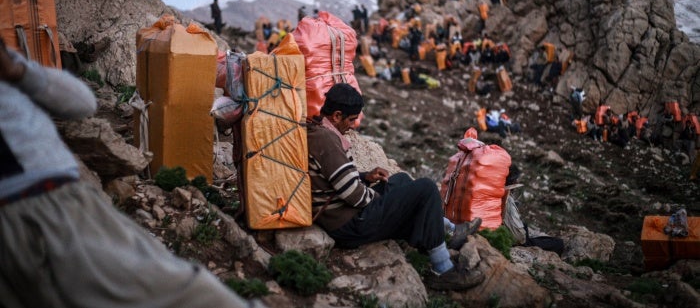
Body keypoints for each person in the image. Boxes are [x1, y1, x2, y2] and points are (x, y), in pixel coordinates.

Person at [0, 37, 250, 307]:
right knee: (177, 288)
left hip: (55, 198)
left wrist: (19, 71)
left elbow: (81, 103)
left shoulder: (12, 76)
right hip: (46, 202)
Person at [307, 83, 484, 290]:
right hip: (348, 225)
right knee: (426, 187)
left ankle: (447, 230)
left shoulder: (320, 130)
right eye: (351, 119)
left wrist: (365, 176)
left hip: (345, 212)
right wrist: (384, 201)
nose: (353, 125)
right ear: (337, 116)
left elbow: (335, 179)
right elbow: (353, 195)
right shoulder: (326, 140)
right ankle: (442, 269)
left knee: (400, 180)